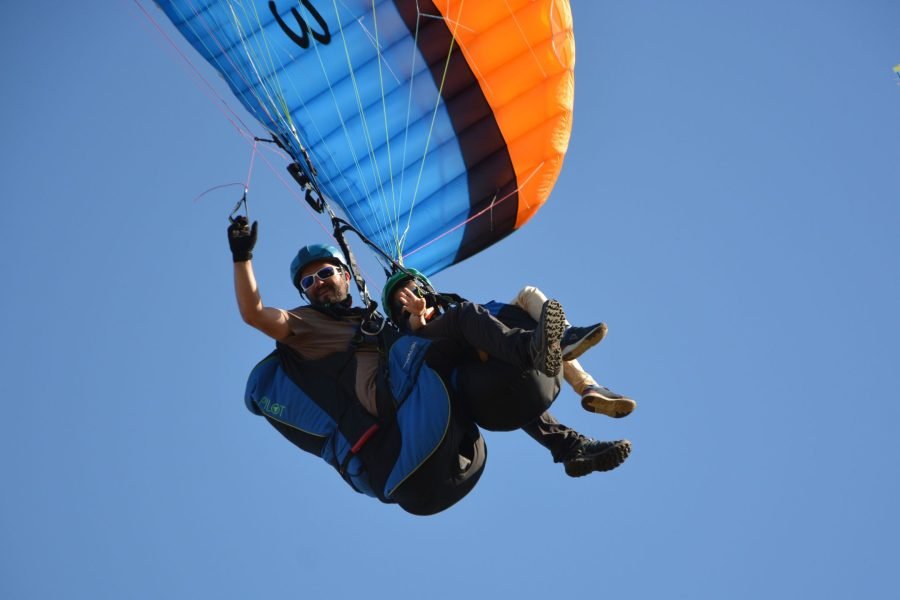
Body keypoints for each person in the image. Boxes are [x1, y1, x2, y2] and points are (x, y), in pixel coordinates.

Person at [228, 217, 620, 515]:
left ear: (345, 275)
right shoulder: (306, 326)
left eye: (325, 273)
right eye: (308, 282)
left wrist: (417, 318)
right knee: (466, 318)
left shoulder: (369, 323)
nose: (318, 283)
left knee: (485, 374)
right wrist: (243, 256)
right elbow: (255, 314)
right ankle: (535, 347)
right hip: (392, 403)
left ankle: (569, 447)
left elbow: (413, 342)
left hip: (409, 400)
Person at [384, 271, 634, 478]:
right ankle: (538, 348)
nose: (408, 301)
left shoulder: (479, 319)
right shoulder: (417, 344)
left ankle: (576, 433)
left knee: (528, 297)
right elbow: (417, 335)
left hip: (508, 396)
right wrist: (417, 316)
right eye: (401, 305)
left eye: (412, 293)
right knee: (467, 318)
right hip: (478, 393)